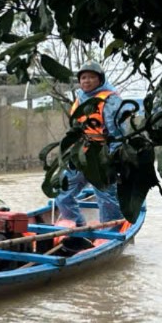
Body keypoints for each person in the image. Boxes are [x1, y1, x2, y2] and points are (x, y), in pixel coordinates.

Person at [54, 62, 125, 226]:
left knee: (106, 199)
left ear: (100, 79)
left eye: (91, 77)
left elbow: (117, 134)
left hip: (102, 156)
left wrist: (114, 160)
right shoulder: (80, 99)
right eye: (83, 77)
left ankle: (110, 230)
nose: (87, 81)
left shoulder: (110, 100)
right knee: (63, 193)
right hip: (80, 155)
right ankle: (78, 227)